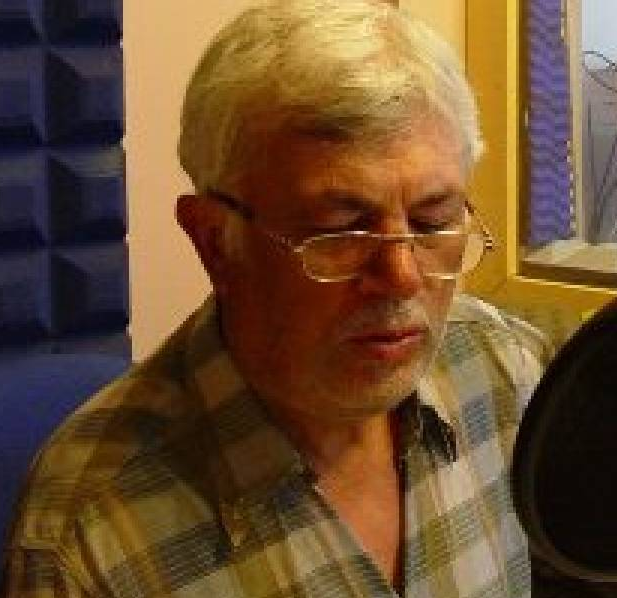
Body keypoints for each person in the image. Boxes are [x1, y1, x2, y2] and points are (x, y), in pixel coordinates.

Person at [2, 1, 552, 596]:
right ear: (214, 241)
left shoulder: (505, 371)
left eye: (432, 221)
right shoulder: (87, 537)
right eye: (340, 232)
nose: (401, 277)